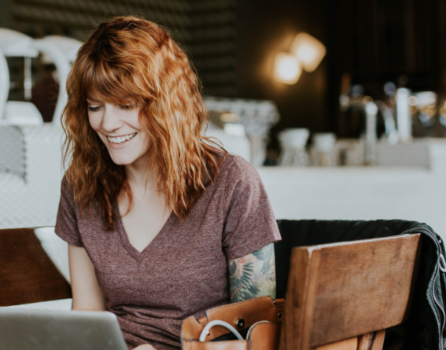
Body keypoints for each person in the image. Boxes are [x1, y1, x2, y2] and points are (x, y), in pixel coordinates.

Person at [55, 16, 281, 350]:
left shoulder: (232, 183)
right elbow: (86, 317)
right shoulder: (81, 187)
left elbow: (260, 336)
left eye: (126, 105)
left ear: (165, 103)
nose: (107, 123)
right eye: (95, 106)